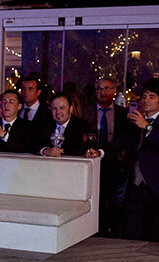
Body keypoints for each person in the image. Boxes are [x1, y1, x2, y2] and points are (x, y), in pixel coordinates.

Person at [104, 79, 159, 241]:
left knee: (154, 235)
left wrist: (147, 127)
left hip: (155, 188)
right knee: (132, 233)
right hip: (134, 185)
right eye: (144, 96)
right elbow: (120, 142)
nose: (146, 100)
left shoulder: (143, 123)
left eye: (151, 96)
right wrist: (99, 152)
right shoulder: (134, 121)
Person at [82, 76, 129, 236]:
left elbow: (124, 139)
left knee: (115, 202)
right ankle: (96, 231)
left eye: (106, 88)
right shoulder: (86, 111)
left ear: (114, 91)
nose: (102, 92)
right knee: (97, 200)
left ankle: (114, 232)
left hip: (115, 163)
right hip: (91, 163)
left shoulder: (123, 113)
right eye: (99, 89)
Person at [38, 93, 94, 157]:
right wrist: (45, 150)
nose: (58, 112)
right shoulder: (44, 124)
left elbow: (81, 148)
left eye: (62, 108)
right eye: (54, 108)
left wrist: (60, 151)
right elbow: (34, 144)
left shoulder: (82, 125)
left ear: (70, 109)